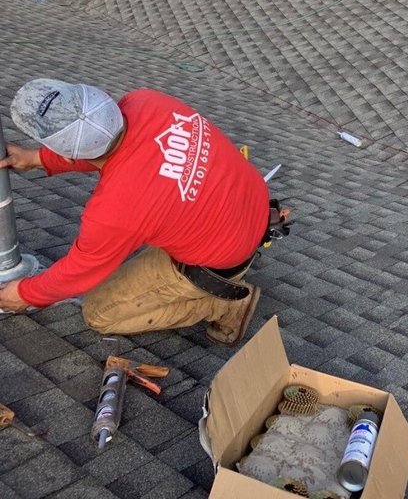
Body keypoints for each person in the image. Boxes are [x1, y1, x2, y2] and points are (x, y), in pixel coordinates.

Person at [0, 79, 271, 345]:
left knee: (98, 312)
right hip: (249, 207)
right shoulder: (147, 101)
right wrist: (37, 158)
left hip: (218, 262)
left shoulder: (116, 209)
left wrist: (25, 294)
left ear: (70, 155)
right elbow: (114, 148)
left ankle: (225, 306)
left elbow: (80, 270)